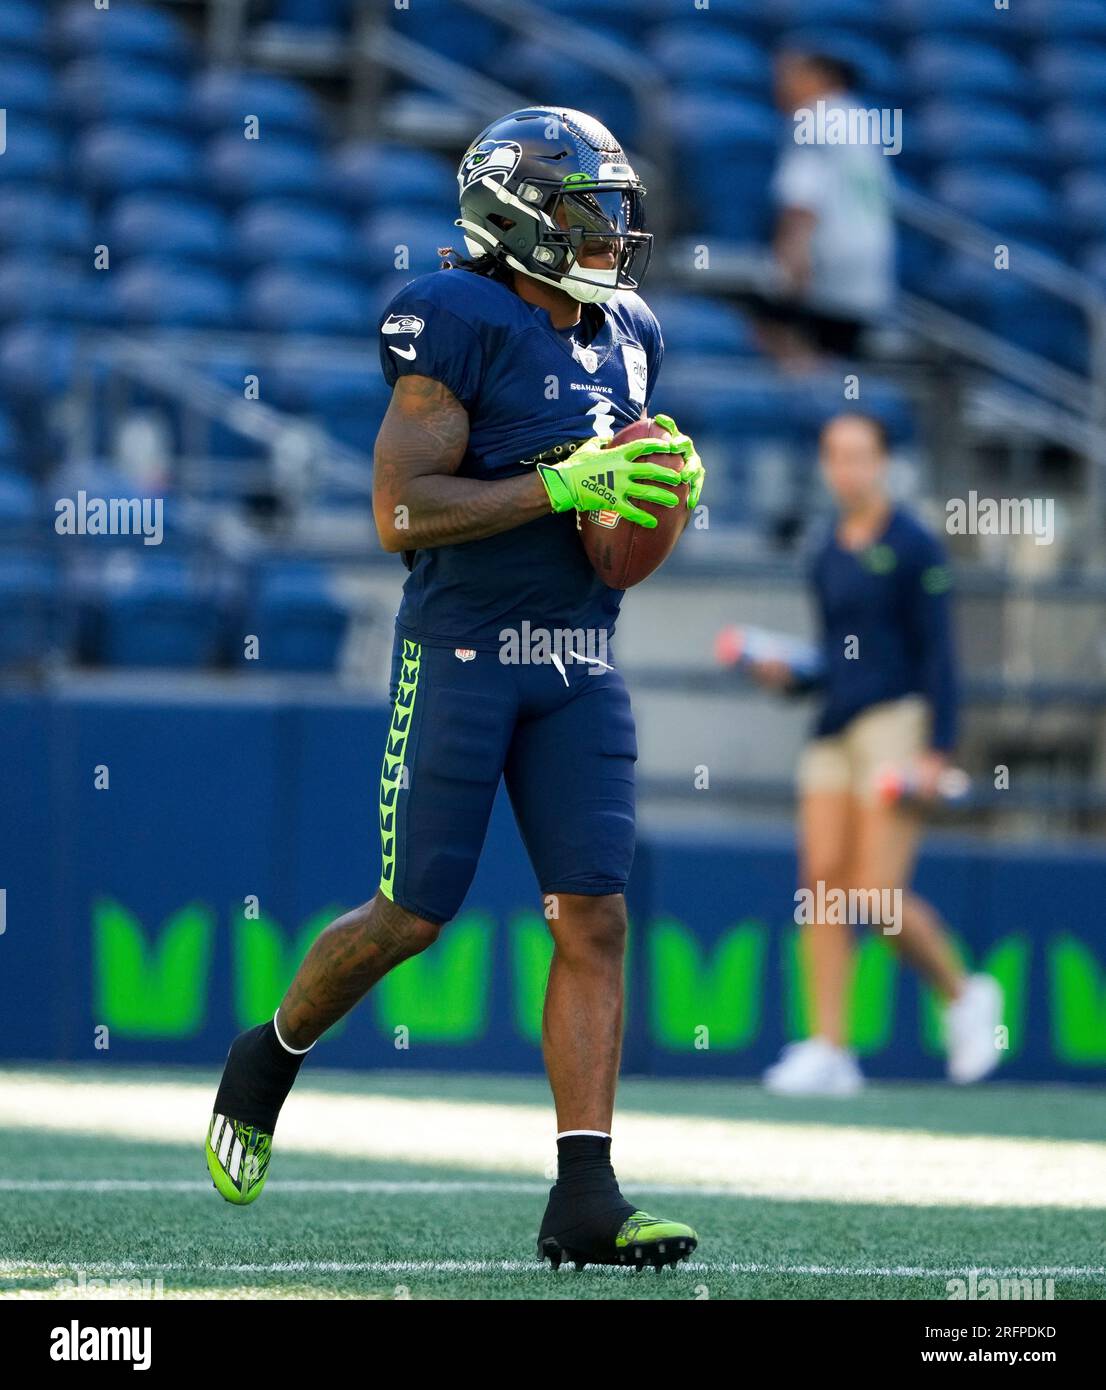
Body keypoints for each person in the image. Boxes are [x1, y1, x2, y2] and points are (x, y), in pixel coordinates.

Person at [204, 107, 705, 1271]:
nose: (611, 232)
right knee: (411, 917)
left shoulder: (629, 330)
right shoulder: (456, 318)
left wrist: (651, 497)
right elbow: (400, 514)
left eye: (616, 209)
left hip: (578, 660)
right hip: (466, 654)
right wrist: (556, 480)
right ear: (513, 213)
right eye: (587, 208)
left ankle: (584, 1193)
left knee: (595, 913)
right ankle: (269, 1052)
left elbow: (611, 527)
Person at [751, 412, 1001, 1095]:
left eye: (859, 456)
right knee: (820, 888)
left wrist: (939, 749)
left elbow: (940, 654)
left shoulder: (914, 543)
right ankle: (830, 1048)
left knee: (874, 894)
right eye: (835, 456)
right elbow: (835, 658)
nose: (847, 469)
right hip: (834, 726)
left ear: (884, 462)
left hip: (898, 720)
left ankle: (963, 993)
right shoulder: (825, 548)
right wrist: (789, 675)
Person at [753, 49, 896, 365]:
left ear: (820, 78)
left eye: (791, 76)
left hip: (826, 264)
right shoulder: (860, 119)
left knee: (789, 349)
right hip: (867, 266)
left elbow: (802, 198)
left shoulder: (813, 118)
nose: (781, 85)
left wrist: (790, 261)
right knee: (840, 364)